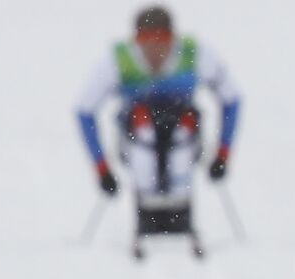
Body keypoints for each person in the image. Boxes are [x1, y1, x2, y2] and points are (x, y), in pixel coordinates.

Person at [75, 5, 241, 253]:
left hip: (184, 132)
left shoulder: (195, 54)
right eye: (145, 40)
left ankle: (179, 207)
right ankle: (148, 209)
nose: (154, 48)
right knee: (144, 130)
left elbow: (231, 98)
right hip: (137, 133)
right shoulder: (117, 61)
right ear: (135, 41)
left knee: (181, 132)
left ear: (173, 38)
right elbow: (84, 109)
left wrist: (223, 153)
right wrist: (102, 167)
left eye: (161, 39)